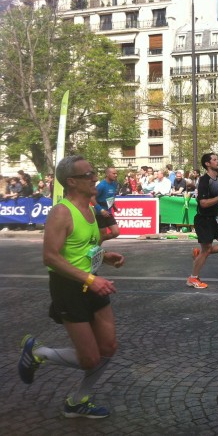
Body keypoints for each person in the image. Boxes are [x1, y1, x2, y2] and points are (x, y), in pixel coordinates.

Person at [18, 155, 125, 418]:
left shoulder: (89, 208)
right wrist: (90, 278)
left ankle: (78, 400)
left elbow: (82, 246)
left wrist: (104, 256)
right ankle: (38, 352)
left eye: (94, 172)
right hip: (69, 288)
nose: (94, 177)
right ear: (71, 182)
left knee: (108, 347)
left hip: (92, 282)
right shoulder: (61, 212)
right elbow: (50, 257)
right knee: (89, 358)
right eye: (88, 174)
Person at [188, 153, 218, 289]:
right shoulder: (204, 181)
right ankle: (192, 278)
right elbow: (203, 203)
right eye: (214, 160)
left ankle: (200, 254)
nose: (217, 161)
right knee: (206, 250)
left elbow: (213, 197)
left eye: (217, 159)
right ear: (207, 164)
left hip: (214, 217)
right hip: (204, 220)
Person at [94, 167, 120, 242]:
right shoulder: (101, 185)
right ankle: (95, 248)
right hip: (99, 213)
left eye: (116, 173)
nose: (116, 175)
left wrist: (114, 205)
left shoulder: (114, 184)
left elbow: (111, 195)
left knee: (116, 232)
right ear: (107, 174)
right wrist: (101, 210)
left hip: (108, 212)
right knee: (102, 234)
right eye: (114, 173)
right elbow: (92, 198)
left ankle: (95, 243)